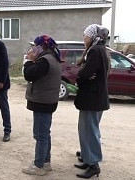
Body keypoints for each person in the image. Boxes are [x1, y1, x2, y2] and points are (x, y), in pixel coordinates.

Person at [74, 24, 110, 179]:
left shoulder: (95, 51)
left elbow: (85, 72)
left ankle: (93, 164)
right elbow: (86, 72)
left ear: (93, 37)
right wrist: (84, 73)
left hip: (92, 99)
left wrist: (82, 73)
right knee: (87, 130)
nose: (84, 38)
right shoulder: (100, 50)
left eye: (86, 35)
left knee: (89, 131)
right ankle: (89, 159)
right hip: (94, 98)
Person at [21, 35, 61, 176]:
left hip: (42, 102)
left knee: (40, 135)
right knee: (45, 133)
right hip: (47, 101)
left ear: (41, 47)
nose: (32, 49)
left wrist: (29, 60)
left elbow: (29, 75)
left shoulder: (44, 61)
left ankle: (39, 166)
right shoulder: (51, 58)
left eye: (34, 46)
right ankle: (45, 161)